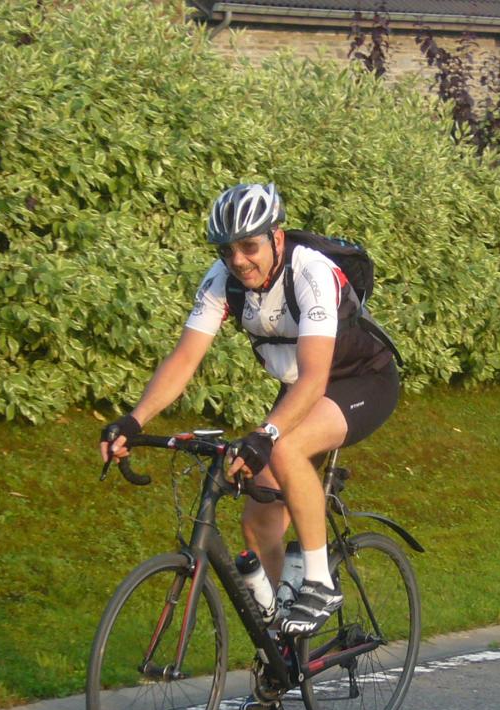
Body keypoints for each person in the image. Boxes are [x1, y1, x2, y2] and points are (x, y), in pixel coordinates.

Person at [99, 182, 399, 636]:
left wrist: (267, 434)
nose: (238, 260)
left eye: (249, 246)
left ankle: (319, 583)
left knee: (285, 448)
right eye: (227, 250)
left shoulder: (310, 272)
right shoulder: (222, 280)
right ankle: (279, 647)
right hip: (302, 389)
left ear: (276, 237)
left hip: (361, 380)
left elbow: (315, 378)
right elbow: (184, 359)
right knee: (259, 517)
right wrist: (134, 420)